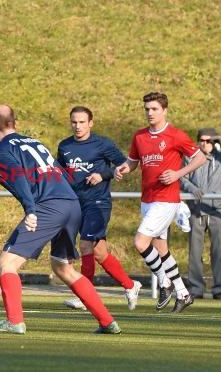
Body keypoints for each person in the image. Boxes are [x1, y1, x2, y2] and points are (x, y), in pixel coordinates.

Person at [0, 105, 121, 335]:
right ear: (15, 124)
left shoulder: (0, 149)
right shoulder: (35, 142)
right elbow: (60, 172)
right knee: (63, 267)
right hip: (71, 203)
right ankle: (107, 321)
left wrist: (30, 209)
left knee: (6, 264)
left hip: (49, 206)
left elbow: (19, 181)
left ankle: (14, 321)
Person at [115, 92, 206, 313]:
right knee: (162, 250)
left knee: (140, 242)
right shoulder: (140, 137)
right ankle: (183, 293)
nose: (150, 113)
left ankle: (164, 282)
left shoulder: (175, 135)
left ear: (164, 110)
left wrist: (178, 174)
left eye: (154, 109)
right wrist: (124, 168)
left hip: (166, 200)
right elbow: (133, 162)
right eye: (147, 109)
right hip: (148, 199)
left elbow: (200, 157)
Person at [57, 107, 142, 311]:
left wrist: (104, 175)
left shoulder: (102, 144)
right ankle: (131, 285)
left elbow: (127, 165)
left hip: (98, 203)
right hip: (77, 203)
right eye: (74, 122)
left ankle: (85, 295)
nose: (78, 126)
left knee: (85, 244)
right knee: (100, 253)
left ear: (91, 123)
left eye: (82, 122)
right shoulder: (65, 146)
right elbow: (61, 173)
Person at [180, 128, 221, 300]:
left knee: (220, 252)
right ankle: (196, 288)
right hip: (197, 210)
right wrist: (191, 188)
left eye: (210, 141)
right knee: (194, 251)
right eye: (202, 140)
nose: (205, 144)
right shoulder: (190, 157)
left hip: (219, 210)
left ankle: (220, 289)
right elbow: (180, 176)